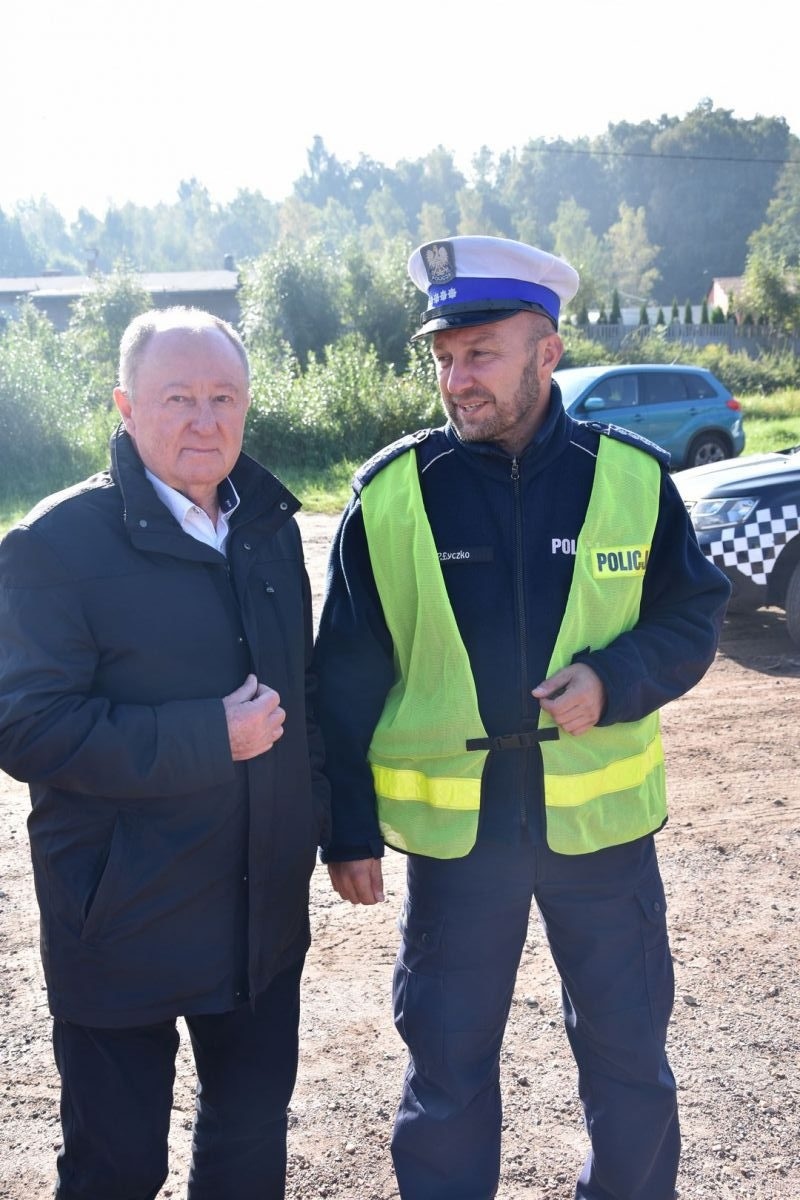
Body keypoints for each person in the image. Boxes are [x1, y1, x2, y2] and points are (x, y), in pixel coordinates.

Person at [312, 236, 731, 1200]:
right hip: (459, 847)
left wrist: (614, 679)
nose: (456, 379)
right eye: (443, 357)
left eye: (480, 354)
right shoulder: (391, 494)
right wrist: (347, 830)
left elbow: (692, 615)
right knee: (447, 1078)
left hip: (603, 837)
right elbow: (343, 674)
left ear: (546, 352)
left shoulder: (633, 479)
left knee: (630, 1063)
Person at [0, 307, 330, 1200]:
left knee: (248, 1149)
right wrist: (207, 737)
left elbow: (303, 696)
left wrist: (322, 826)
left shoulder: (268, 527)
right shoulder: (54, 545)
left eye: (224, 397)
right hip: (121, 919)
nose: (205, 420)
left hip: (260, 915)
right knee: (116, 1169)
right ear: (125, 406)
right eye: (178, 397)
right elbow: (26, 727)